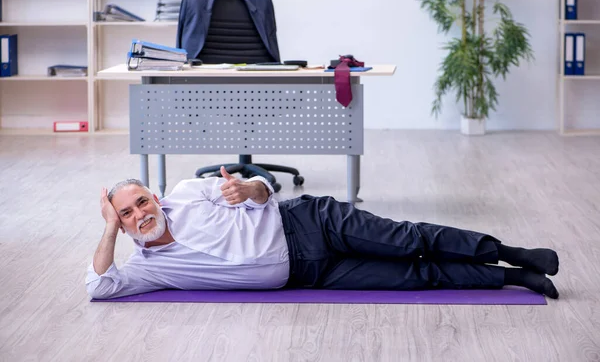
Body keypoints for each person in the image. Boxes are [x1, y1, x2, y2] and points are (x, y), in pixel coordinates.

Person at [86, 167, 560, 300]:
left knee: (410, 239)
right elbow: (99, 287)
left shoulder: (189, 192)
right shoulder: (150, 270)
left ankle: (513, 252)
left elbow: (263, 188)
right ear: (120, 223)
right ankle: (512, 279)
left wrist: (248, 188)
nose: (141, 214)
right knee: (414, 278)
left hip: (309, 222)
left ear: (154, 195)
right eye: (126, 213)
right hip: (312, 275)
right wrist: (108, 228)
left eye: (142, 201)